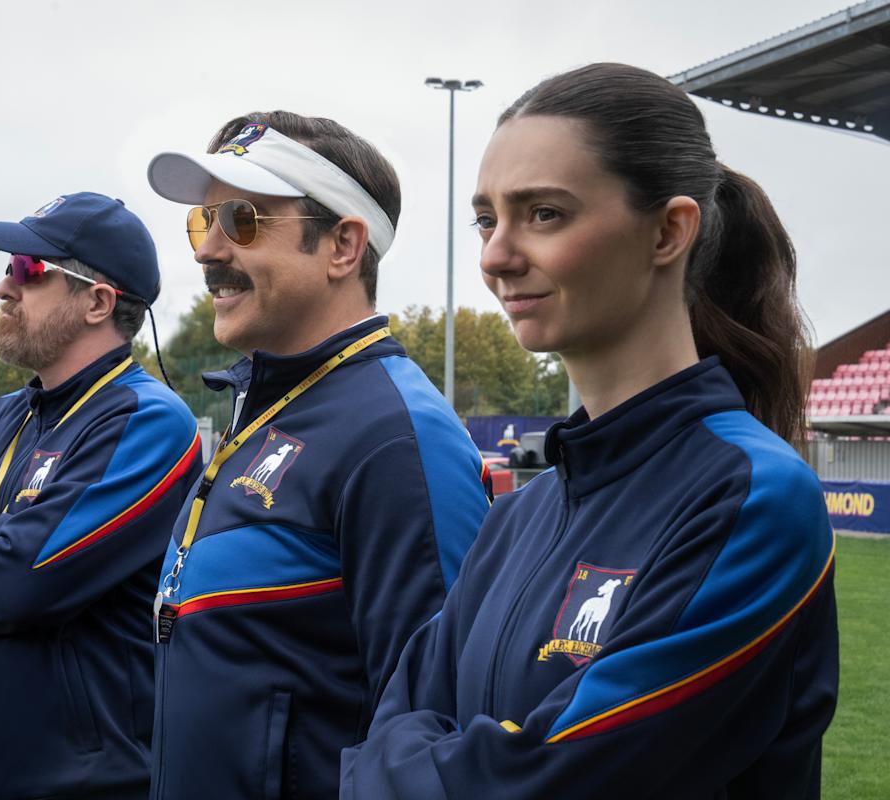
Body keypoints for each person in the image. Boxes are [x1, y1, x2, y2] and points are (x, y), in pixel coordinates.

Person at [341, 63, 839, 799]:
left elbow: (550, 782)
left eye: (544, 213)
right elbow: (384, 730)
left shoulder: (753, 499)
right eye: (487, 220)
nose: (495, 256)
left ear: (669, 231)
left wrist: (407, 769)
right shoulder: (516, 518)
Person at [143, 112, 492, 799]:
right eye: (203, 221)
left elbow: (438, 736)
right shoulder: (271, 404)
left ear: (342, 246)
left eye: (241, 220)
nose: (207, 250)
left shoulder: (397, 438)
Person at [0, 192, 203, 800]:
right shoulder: (6, 414)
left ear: (98, 302)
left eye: (27, 269)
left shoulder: (147, 419)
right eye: (8, 267)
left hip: (90, 785)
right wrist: (8, 535)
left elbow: (14, 586)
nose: (4, 286)